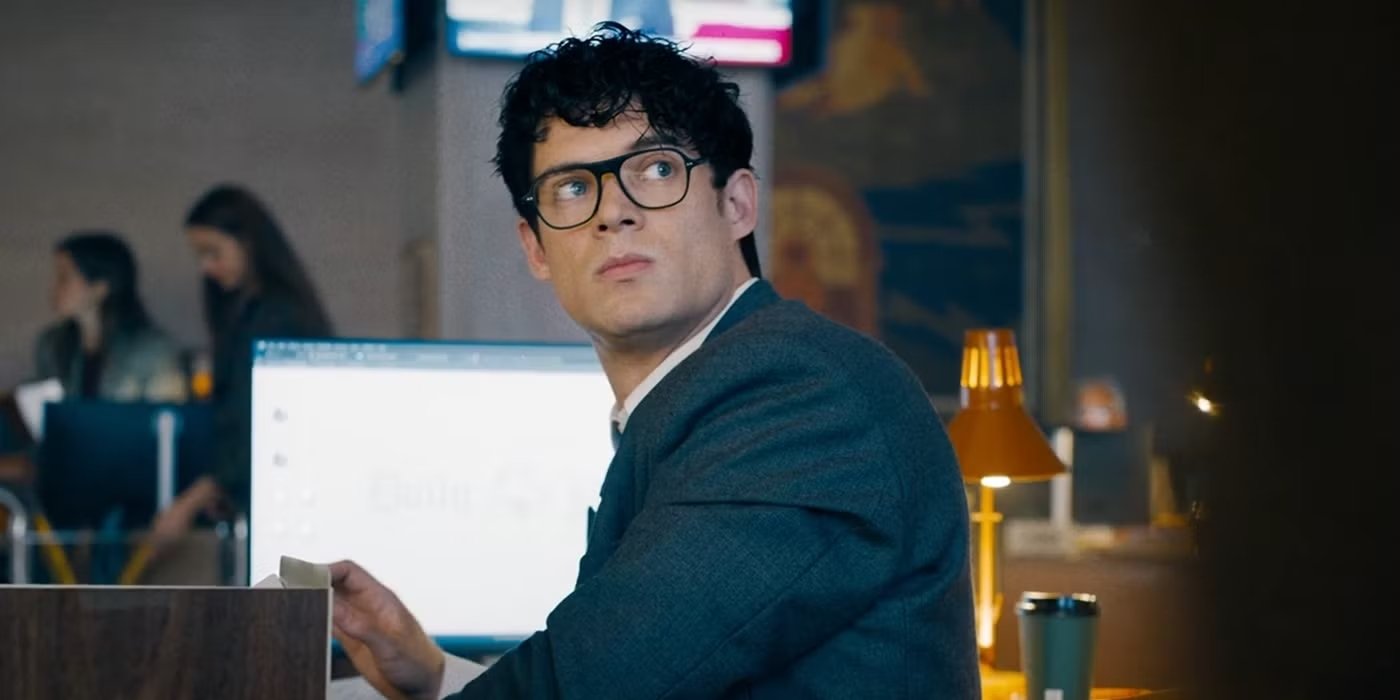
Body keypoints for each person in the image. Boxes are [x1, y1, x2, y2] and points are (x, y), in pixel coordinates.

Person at [330, 24, 978, 699]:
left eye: (658, 169)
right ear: (537, 248)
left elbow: (593, 685)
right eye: (572, 188)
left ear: (738, 205)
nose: (613, 213)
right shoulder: (694, 397)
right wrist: (435, 677)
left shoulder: (804, 396)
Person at [147, 185, 332, 544]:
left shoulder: (276, 319)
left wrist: (195, 499)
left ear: (247, 243)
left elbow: (259, 424)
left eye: (212, 252)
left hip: (283, 500)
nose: (206, 268)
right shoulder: (253, 313)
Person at [35, 232, 187, 404]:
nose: (54, 288)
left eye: (64, 278)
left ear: (100, 287)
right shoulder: (51, 345)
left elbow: (163, 413)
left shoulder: (152, 350)